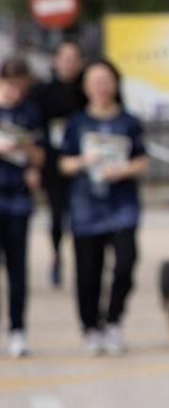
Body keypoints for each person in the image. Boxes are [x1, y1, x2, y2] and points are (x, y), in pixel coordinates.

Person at [58, 59, 148, 356]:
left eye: (106, 80)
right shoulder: (77, 123)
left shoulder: (129, 122)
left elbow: (142, 159)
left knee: (125, 264)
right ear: (85, 87)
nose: (101, 86)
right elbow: (63, 162)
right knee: (88, 272)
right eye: (95, 81)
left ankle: (114, 320)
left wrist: (122, 170)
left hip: (122, 206)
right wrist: (85, 161)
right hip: (86, 207)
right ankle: (90, 326)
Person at [33, 39, 87, 288]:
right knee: (57, 216)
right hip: (53, 162)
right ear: (55, 61)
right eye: (64, 58)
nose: (69, 63)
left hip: (84, 163)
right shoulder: (43, 92)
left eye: (74, 58)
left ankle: (85, 261)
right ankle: (56, 256)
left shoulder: (87, 90)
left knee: (82, 214)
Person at [0, 57, 44, 357]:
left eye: (22, 86)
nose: (16, 91)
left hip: (16, 200)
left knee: (17, 270)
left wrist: (24, 149)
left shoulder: (31, 112)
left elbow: (41, 158)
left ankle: (18, 330)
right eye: (11, 85)